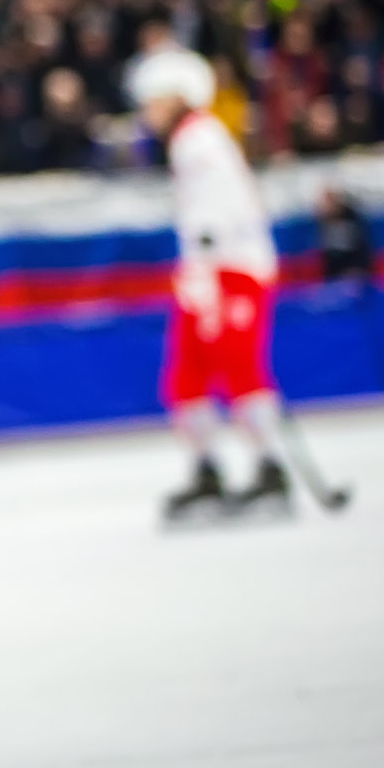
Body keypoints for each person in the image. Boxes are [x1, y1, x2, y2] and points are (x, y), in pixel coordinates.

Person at [128, 47, 293, 521]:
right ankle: (207, 469)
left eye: (153, 101)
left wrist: (205, 267)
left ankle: (268, 467)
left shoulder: (199, 138)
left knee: (238, 366)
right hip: (207, 270)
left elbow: (220, 208)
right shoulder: (189, 138)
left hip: (231, 268)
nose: (147, 112)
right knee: (187, 373)